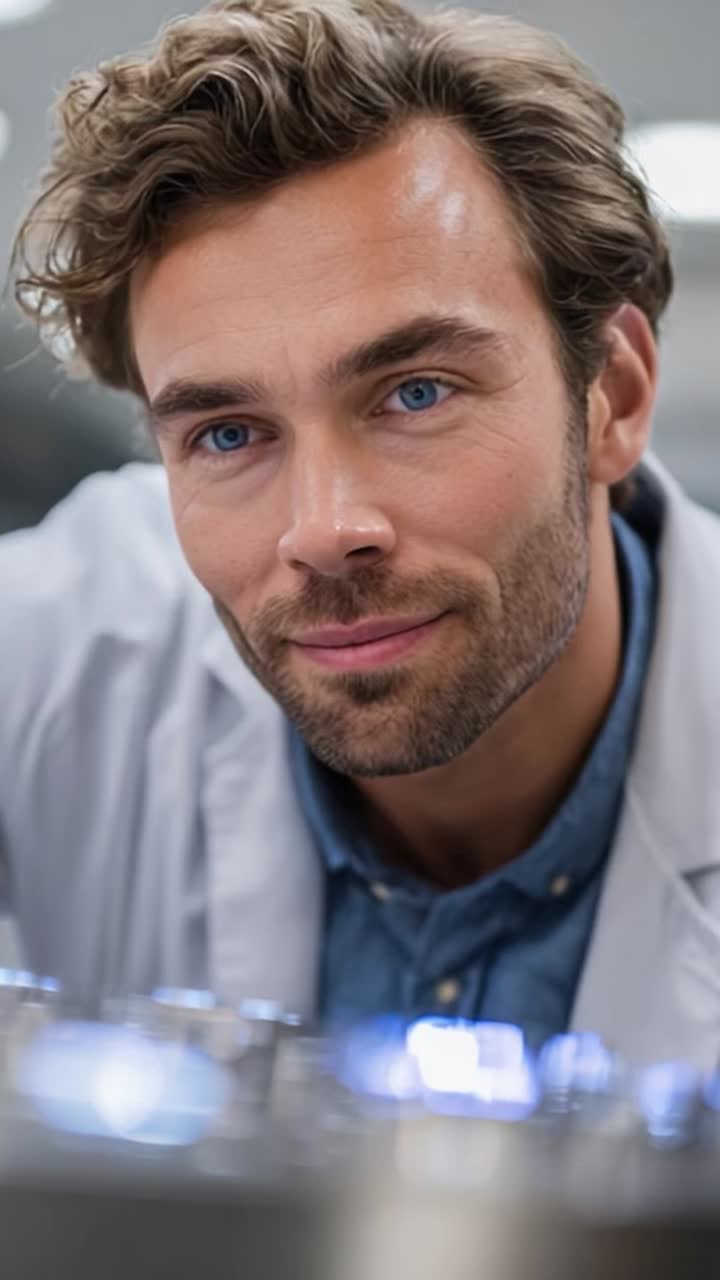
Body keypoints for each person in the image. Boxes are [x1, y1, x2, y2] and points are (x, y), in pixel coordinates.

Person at [3, 0, 720, 1068]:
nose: (326, 530)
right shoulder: (70, 645)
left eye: (416, 392)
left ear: (612, 395)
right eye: (228, 433)